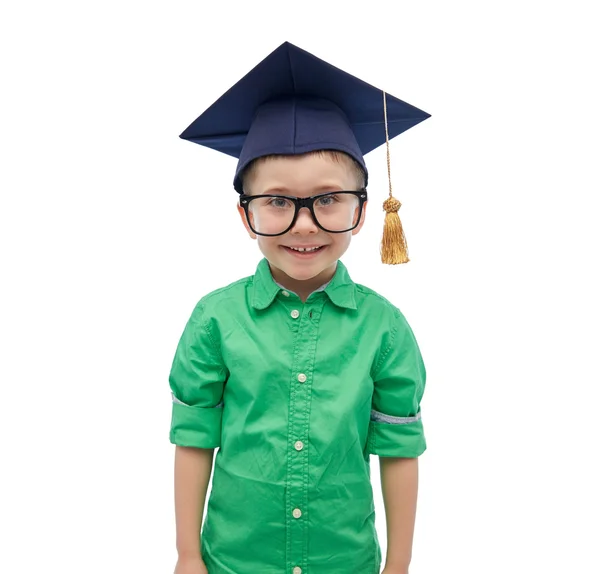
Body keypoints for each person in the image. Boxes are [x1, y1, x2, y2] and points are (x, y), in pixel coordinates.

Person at [168, 41, 430, 574]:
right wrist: (188, 555)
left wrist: (398, 566)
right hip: (235, 561)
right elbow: (195, 439)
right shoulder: (215, 319)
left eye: (329, 199)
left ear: (362, 211)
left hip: (345, 560)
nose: (305, 224)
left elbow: (399, 449)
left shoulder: (384, 328)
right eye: (278, 201)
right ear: (246, 216)